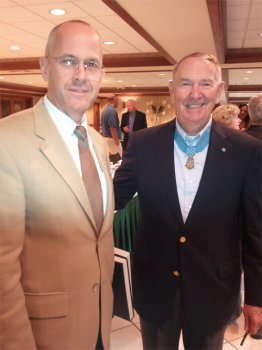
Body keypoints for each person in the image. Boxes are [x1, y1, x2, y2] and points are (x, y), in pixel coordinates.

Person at [113, 52, 262, 349]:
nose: (195, 94)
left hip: (214, 289)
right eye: (186, 84)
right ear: (171, 90)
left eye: (205, 83)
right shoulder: (143, 144)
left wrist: (256, 297)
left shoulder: (247, 151)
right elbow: (111, 199)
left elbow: (255, 231)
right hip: (155, 286)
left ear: (218, 92)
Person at [0, 20, 115, 350]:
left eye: (91, 64)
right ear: (44, 68)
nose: (81, 74)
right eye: (68, 61)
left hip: (97, 327)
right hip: (43, 337)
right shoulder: (7, 141)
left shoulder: (96, 142)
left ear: (101, 74)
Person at [101, 95, 122, 159]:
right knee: (118, 160)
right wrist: (116, 142)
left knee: (110, 160)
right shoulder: (112, 111)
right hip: (112, 139)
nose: (118, 103)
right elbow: (112, 128)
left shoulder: (105, 110)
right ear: (114, 101)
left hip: (106, 138)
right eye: (118, 101)